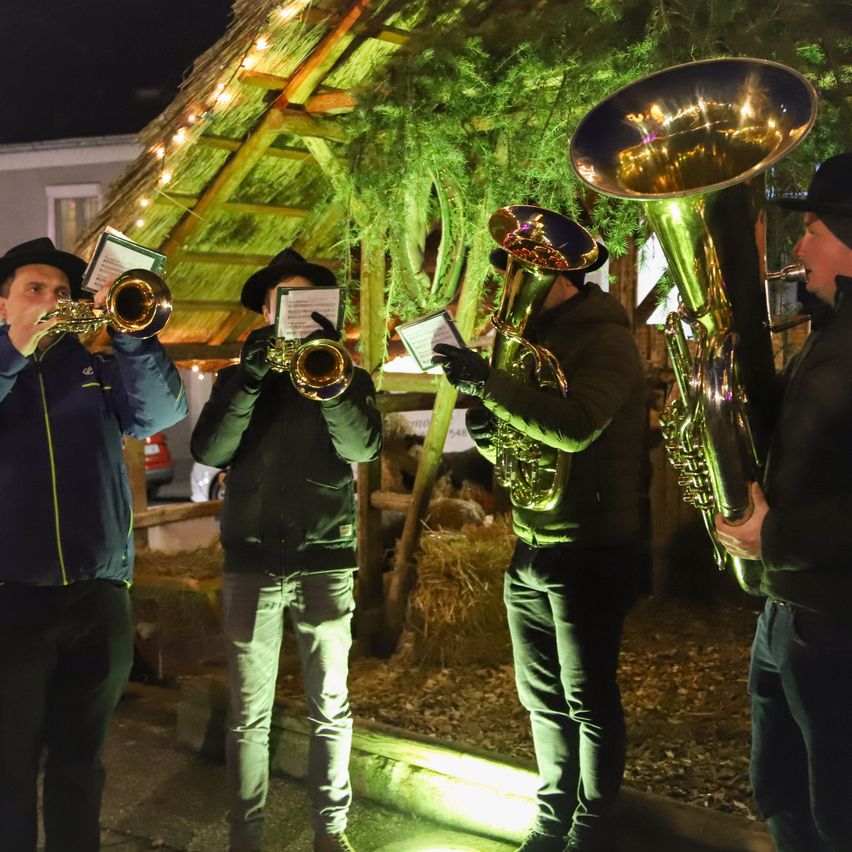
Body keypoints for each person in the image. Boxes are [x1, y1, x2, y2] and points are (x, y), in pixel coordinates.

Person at [433, 237, 647, 852]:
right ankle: (553, 821)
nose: (509, 286)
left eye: (519, 272)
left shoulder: (605, 338)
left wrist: (493, 383)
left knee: (587, 697)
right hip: (532, 540)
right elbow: (521, 448)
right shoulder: (535, 339)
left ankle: (591, 829)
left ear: (556, 274)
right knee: (541, 697)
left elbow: (576, 428)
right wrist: (484, 419)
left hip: (590, 546)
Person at [190, 248, 382, 852]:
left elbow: (363, 448)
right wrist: (248, 377)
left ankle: (331, 831)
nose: (290, 312)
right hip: (250, 561)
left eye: (304, 301)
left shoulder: (344, 374)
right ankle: (245, 838)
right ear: (266, 311)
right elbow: (211, 451)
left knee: (332, 706)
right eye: (281, 301)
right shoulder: (236, 376)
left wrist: (335, 382)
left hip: (325, 560)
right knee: (248, 715)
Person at [0, 237, 188, 851]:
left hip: (98, 597)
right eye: (34, 289)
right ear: (3, 306)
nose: (52, 300)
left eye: (61, 292)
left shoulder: (94, 366)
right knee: (7, 773)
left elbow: (158, 413)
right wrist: (14, 352)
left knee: (82, 765)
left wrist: (132, 337)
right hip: (11, 601)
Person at [716, 152, 852, 852]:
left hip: (835, 624)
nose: (800, 247)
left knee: (837, 811)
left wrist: (776, 536)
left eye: (815, 231)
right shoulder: (826, 332)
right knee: (780, 793)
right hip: (788, 611)